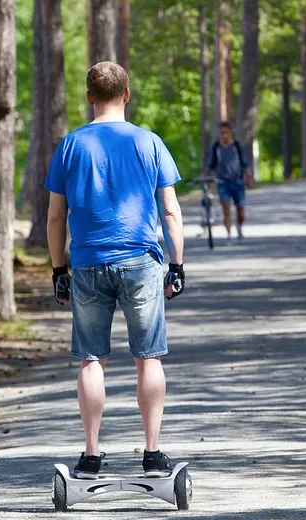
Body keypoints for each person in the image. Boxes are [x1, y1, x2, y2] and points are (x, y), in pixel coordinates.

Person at [45, 61, 185, 480]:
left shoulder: (70, 146)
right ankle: (153, 454)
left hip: (88, 263)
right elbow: (171, 211)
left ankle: (91, 456)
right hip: (141, 262)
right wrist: (177, 264)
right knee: (149, 358)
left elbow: (55, 217)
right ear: (127, 94)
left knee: (91, 360)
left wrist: (58, 269)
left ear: (89, 96)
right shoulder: (150, 143)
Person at [203, 122, 254, 243]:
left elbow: (245, 163)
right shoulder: (216, 147)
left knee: (240, 209)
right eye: (222, 133)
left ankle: (239, 226)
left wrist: (248, 176)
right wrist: (205, 175)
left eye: (226, 132)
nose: (224, 135)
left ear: (231, 133)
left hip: (237, 182)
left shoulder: (237, 146)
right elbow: (210, 164)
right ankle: (229, 235)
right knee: (226, 209)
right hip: (223, 183)